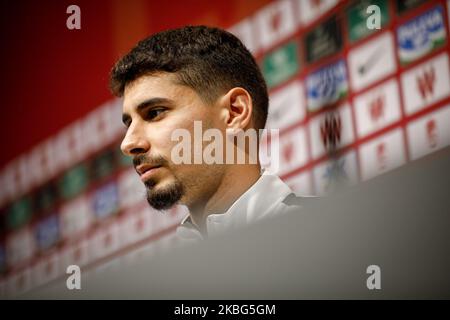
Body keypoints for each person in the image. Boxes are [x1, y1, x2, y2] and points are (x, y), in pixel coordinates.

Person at [109, 25, 309, 242]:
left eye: (154, 113)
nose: (128, 144)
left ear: (235, 112)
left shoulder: (333, 237)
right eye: (128, 123)